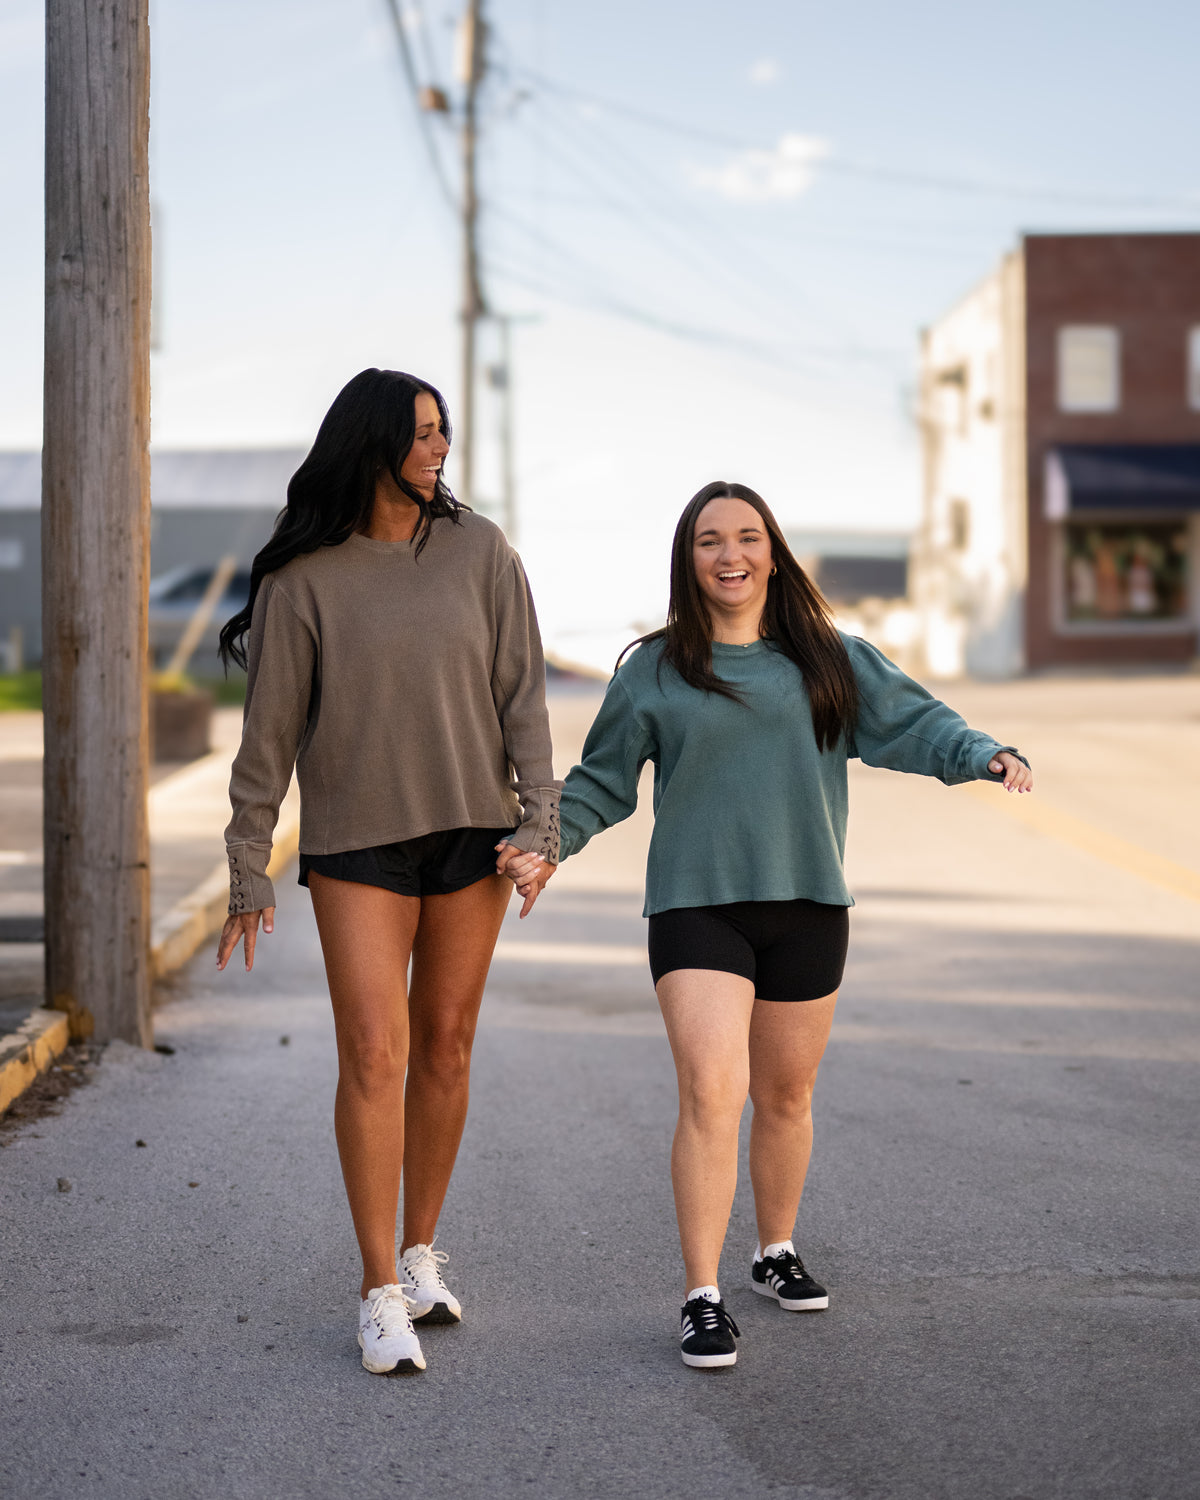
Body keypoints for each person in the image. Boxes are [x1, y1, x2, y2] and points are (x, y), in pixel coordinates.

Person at [499, 480, 1031, 1371]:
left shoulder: (829, 659)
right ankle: (701, 1296)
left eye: (747, 537)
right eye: (710, 540)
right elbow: (601, 782)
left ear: (773, 555)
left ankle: (774, 1251)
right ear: (689, 559)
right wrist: (546, 843)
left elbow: (915, 723)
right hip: (697, 907)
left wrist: (983, 753)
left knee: (786, 1097)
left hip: (809, 904)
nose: (730, 554)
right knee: (713, 1092)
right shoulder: (654, 669)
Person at [216, 368, 560, 1376]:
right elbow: (268, 736)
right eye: (420, 433)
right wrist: (248, 865)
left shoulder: (481, 551)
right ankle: (375, 1292)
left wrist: (540, 823)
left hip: (472, 835)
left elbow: (524, 698)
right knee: (375, 1053)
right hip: (357, 840)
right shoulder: (303, 579)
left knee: (445, 1047)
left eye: (442, 431)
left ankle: (419, 1255)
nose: (439, 448)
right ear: (369, 445)